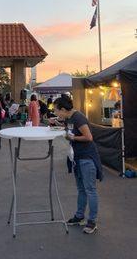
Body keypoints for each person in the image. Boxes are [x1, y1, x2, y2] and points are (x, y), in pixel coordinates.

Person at [53, 95, 103, 234]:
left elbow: (88, 137)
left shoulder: (78, 117)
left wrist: (72, 137)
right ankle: (79, 216)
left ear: (63, 109)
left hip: (87, 158)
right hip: (77, 158)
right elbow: (70, 129)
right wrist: (59, 125)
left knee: (90, 190)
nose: (56, 113)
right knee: (81, 189)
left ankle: (92, 221)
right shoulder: (68, 118)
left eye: (57, 111)